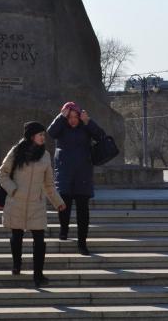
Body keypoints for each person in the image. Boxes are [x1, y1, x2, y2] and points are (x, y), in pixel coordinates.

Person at [0, 120, 65, 286]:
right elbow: (2, 174)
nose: (43, 137)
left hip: (37, 203)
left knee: (40, 241)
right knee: (17, 237)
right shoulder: (16, 151)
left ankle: (38, 275)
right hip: (16, 202)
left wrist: (58, 202)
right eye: (40, 134)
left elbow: (49, 184)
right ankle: (17, 264)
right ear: (31, 136)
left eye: (44, 135)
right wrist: (13, 190)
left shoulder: (45, 155)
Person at [47, 101, 105, 255]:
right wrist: (61, 117)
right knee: (63, 207)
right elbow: (50, 132)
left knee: (83, 212)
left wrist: (88, 122)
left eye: (75, 117)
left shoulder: (85, 127)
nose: (72, 120)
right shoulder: (61, 128)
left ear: (80, 117)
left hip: (83, 174)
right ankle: (64, 230)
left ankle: (82, 243)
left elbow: (101, 136)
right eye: (69, 117)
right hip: (64, 173)